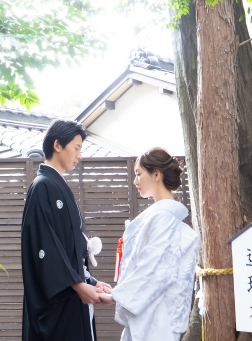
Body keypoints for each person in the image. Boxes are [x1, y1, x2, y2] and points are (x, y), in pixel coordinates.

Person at [20, 119, 112, 341]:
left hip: (72, 294)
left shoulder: (58, 186)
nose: (79, 155)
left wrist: (89, 281)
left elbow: (72, 249)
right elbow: (45, 247)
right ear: (58, 145)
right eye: (77, 148)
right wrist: (79, 286)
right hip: (58, 300)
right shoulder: (42, 186)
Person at [110, 148, 200, 341]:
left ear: (156, 174)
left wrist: (116, 296)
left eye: (138, 174)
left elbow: (155, 268)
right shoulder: (163, 215)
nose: (135, 181)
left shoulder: (163, 216)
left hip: (156, 319)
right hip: (152, 315)